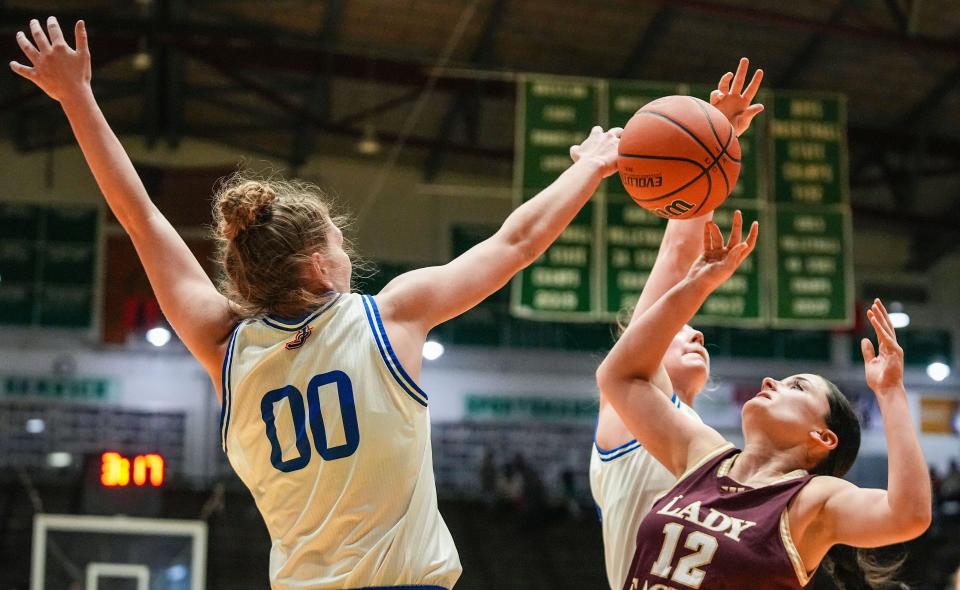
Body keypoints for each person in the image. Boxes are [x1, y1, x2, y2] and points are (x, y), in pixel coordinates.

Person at [10, 17, 623, 589]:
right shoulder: (390, 318)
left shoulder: (227, 349)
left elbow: (139, 219)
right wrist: (589, 168)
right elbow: (515, 242)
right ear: (317, 264)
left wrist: (78, 100)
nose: (346, 250)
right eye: (338, 239)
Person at [597, 215, 931, 589]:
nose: (770, 381)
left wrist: (891, 393)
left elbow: (908, 515)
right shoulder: (704, 454)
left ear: (822, 437)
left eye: (797, 387)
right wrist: (698, 284)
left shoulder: (810, 499)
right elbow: (617, 376)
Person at [589, 57, 764, 590]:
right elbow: (675, 262)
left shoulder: (713, 450)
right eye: (679, 329)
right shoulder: (626, 416)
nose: (697, 332)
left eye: (691, 330)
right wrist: (715, 143)